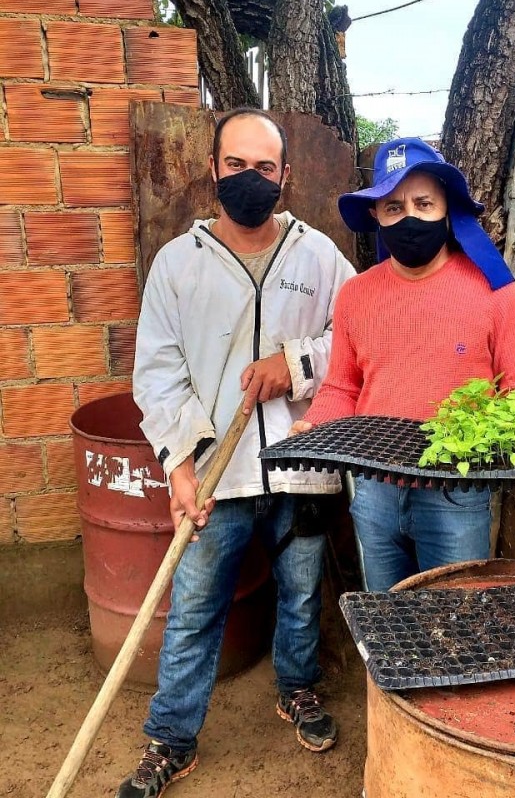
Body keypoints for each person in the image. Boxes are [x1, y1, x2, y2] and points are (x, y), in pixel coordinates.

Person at [117, 108, 356, 798]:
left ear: (286, 176)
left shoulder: (317, 256)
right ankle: (172, 737)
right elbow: (158, 373)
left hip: (301, 460)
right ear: (213, 169)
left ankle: (298, 689)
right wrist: (181, 466)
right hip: (217, 469)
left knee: (301, 590)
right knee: (193, 605)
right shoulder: (178, 264)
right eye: (235, 165)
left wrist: (298, 363)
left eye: (264, 167)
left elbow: (358, 335)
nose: (249, 177)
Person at [291, 137, 515, 592]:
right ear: (377, 216)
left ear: (447, 209)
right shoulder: (356, 296)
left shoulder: (495, 293)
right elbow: (342, 386)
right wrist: (317, 424)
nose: (410, 217)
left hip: (455, 491)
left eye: (424, 203)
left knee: (455, 623)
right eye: (394, 207)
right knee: (387, 624)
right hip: (374, 484)